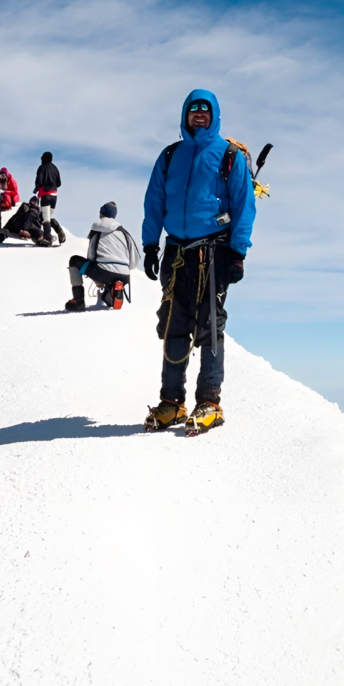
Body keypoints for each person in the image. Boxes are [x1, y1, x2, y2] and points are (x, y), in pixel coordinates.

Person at [142, 90, 256, 435]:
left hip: (214, 252)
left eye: (206, 110)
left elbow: (243, 205)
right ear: (185, 115)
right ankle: (172, 402)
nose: (199, 114)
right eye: (194, 109)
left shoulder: (228, 155)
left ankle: (210, 401)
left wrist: (237, 252)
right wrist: (150, 245)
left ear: (215, 115)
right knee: (173, 325)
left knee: (209, 326)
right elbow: (155, 201)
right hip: (177, 253)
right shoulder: (170, 155)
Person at [65, 202, 140, 311]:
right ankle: (114, 293)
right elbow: (133, 263)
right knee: (110, 283)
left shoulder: (97, 228)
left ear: (101, 213)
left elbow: (91, 254)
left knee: (74, 260)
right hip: (124, 275)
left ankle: (78, 301)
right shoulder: (124, 233)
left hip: (104, 271)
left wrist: (96, 277)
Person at [35, 152, 67, 245]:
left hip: (45, 194)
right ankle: (60, 233)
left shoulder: (41, 168)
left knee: (46, 218)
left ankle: (47, 239)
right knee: (49, 216)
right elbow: (59, 183)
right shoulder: (55, 168)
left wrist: (38, 186)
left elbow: (40, 181)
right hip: (54, 195)